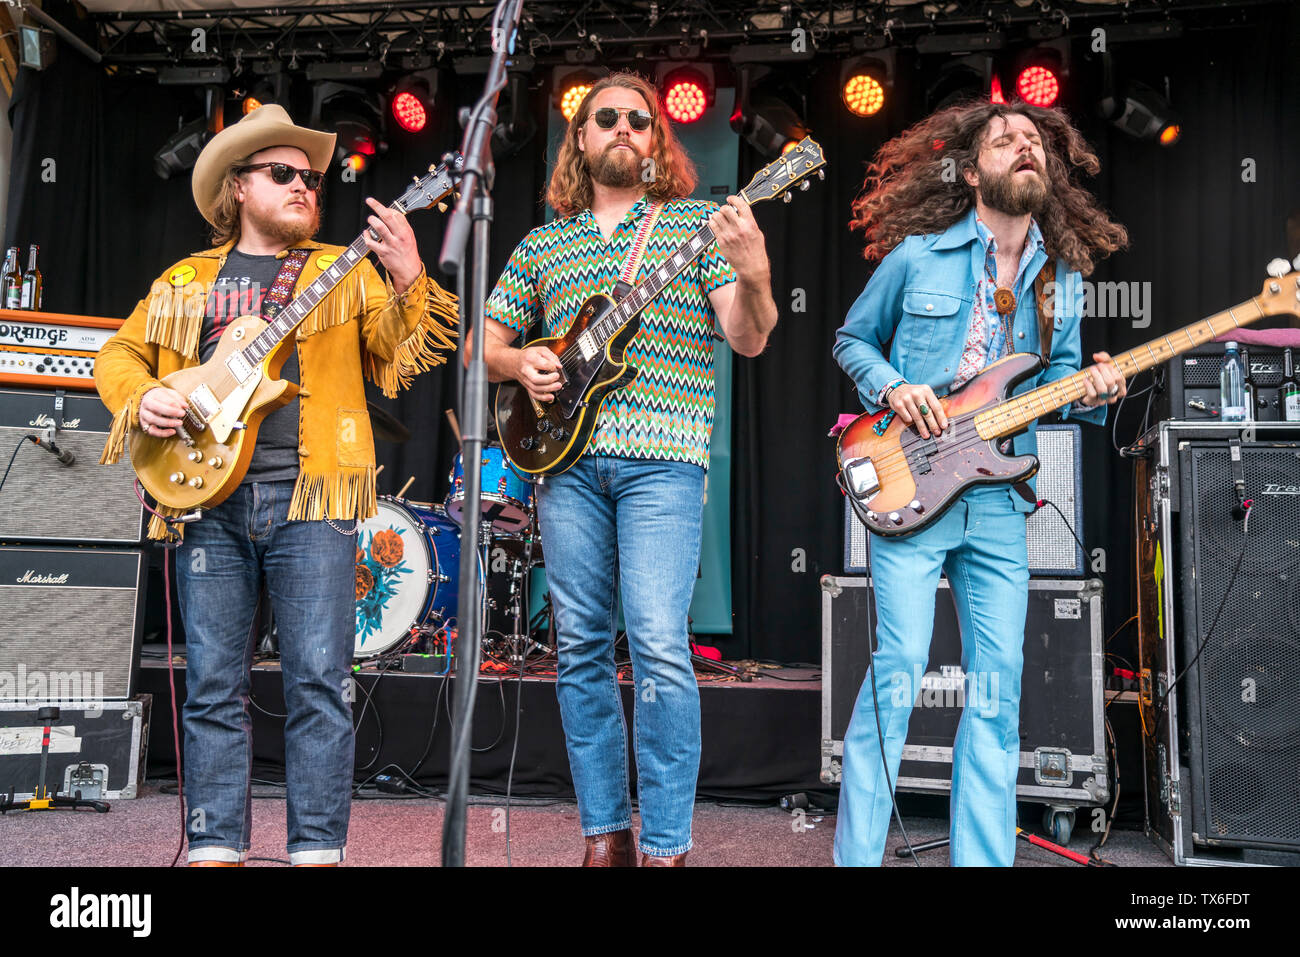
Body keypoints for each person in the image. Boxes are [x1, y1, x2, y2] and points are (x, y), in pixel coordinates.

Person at [94, 104, 458, 866]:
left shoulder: (338, 267)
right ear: (238, 188)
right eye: (283, 173)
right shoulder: (185, 280)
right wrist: (146, 397)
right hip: (206, 498)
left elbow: (404, 347)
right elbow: (119, 357)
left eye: (312, 178)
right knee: (213, 687)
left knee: (320, 684)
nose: (303, 186)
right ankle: (215, 846)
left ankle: (318, 851)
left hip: (311, 498)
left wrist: (409, 273)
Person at [480, 72, 778, 866]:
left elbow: (748, 337)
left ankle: (668, 846)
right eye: (602, 117)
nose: (620, 127)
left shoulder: (693, 227)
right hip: (565, 464)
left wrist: (753, 273)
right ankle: (605, 836)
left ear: (657, 139)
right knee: (578, 645)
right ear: (579, 138)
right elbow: (487, 343)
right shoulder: (544, 242)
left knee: (655, 643)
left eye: (637, 120)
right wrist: (525, 361)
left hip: (665, 462)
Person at [832, 100, 1129, 866]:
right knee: (898, 668)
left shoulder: (1060, 279)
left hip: (998, 499)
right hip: (916, 482)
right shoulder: (916, 257)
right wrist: (893, 386)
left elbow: (1057, 378)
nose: (1023, 146)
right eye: (1005, 140)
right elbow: (852, 340)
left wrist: (1094, 392)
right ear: (972, 172)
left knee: (996, 691)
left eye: (1034, 140)